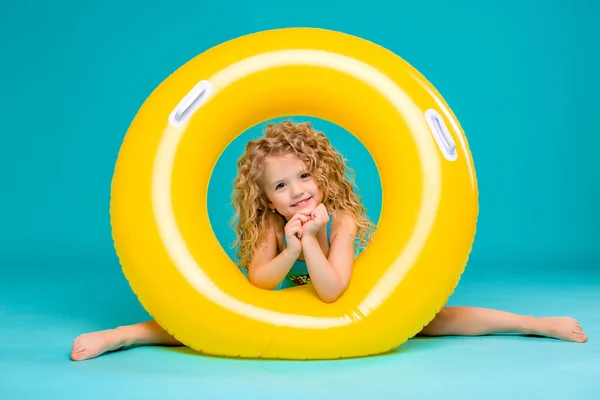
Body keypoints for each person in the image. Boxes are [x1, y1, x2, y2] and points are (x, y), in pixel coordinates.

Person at [70, 121, 587, 361]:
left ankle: (531, 323)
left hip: (334, 292)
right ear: (267, 200)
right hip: (275, 301)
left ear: (321, 174)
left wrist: (313, 240)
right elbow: (259, 279)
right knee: (195, 319)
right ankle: (126, 334)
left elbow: (334, 291)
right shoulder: (273, 226)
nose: (295, 192)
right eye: (279, 186)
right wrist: (291, 247)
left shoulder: (341, 219)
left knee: (438, 318)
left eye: (302, 177)